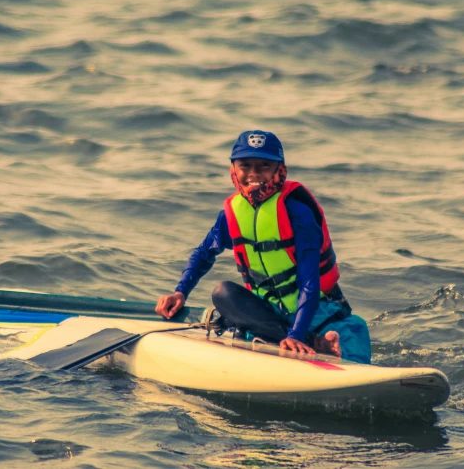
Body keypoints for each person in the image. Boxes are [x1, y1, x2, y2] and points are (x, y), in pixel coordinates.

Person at [155, 130, 371, 364]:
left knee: (349, 351)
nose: (253, 174)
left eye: (264, 165)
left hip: (318, 313)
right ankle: (313, 343)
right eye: (245, 165)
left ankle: (312, 341)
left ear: (280, 170)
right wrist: (181, 292)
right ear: (233, 169)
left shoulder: (298, 212)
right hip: (272, 317)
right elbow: (203, 254)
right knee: (223, 293)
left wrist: (296, 334)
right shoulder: (231, 215)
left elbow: (310, 281)